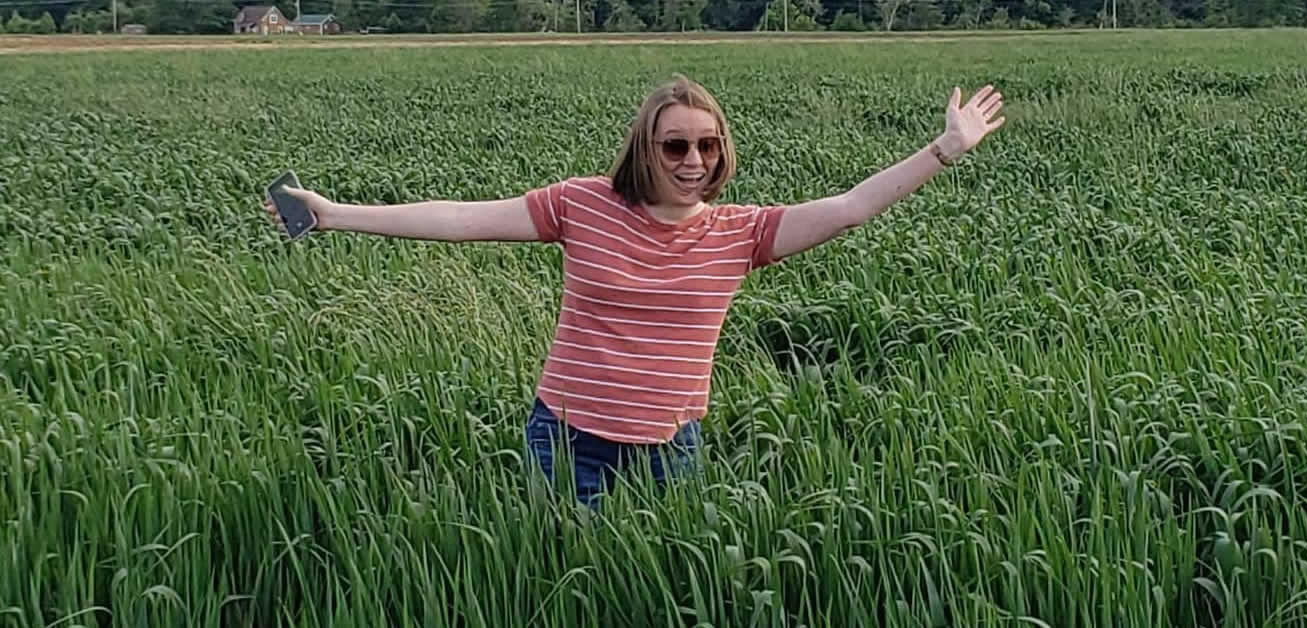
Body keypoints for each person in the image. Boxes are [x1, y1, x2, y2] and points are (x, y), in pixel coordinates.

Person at [263, 74, 1005, 507]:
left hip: (668, 450)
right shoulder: (582, 205)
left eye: (707, 145)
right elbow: (461, 219)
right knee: (559, 583)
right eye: (675, 144)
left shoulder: (741, 232)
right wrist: (334, 214)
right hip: (567, 442)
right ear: (645, 147)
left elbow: (849, 207)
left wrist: (946, 149)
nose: (692, 160)